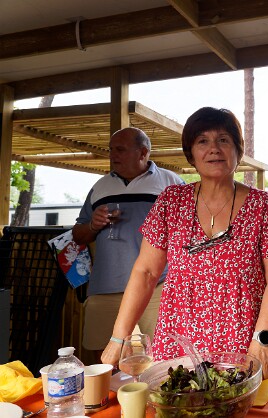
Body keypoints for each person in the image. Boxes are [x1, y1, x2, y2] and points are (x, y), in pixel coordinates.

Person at [100, 107, 268, 379]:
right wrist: (118, 337)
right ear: (191, 154)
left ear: (238, 151)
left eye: (223, 140)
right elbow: (146, 272)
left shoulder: (264, 205)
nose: (214, 148)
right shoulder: (171, 201)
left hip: (244, 339)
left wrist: (263, 338)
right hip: (179, 342)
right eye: (203, 141)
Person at [72, 127, 184, 364]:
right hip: (106, 286)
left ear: (143, 153)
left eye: (120, 150)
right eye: (111, 150)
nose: (113, 155)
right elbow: (78, 235)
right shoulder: (100, 187)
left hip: (157, 285)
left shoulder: (171, 183)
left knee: (162, 356)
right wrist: (93, 225)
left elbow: (189, 231)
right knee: (103, 358)